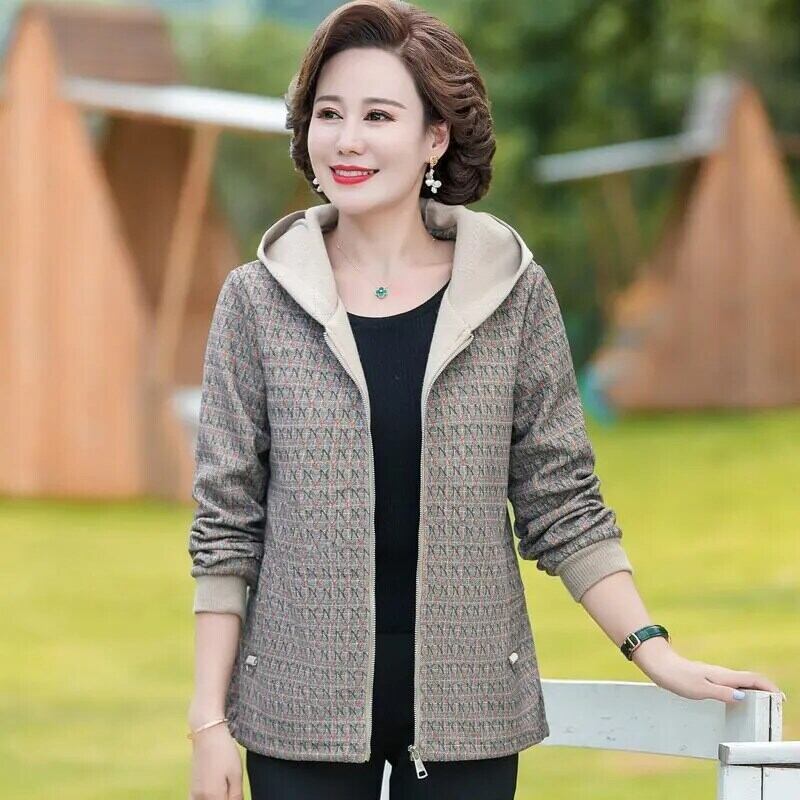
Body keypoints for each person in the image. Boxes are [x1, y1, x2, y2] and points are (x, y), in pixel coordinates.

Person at [186, 2, 784, 798]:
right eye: (329, 114)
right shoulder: (256, 300)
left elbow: (561, 500)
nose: (347, 140)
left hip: (471, 718)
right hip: (296, 716)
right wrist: (208, 722)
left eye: (378, 116)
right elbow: (227, 525)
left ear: (435, 137)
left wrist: (655, 650)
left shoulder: (512, 293)